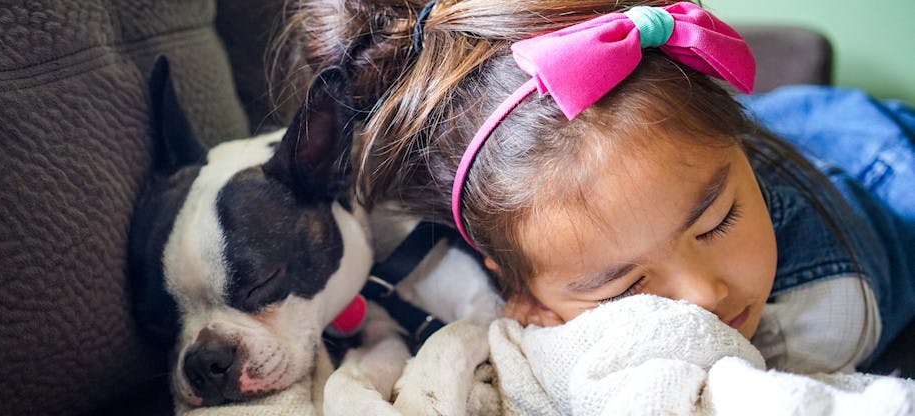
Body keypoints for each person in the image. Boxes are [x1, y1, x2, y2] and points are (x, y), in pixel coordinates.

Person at [284, 0, 915, 375]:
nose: (704, 293)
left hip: (877, 156)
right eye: (624, 285)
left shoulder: (828, 311)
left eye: (718, 221)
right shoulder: (499, 252)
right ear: (519, 289)